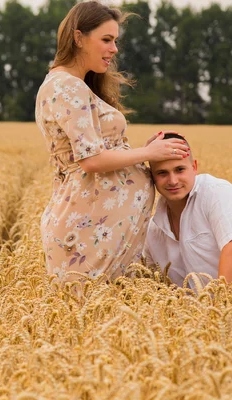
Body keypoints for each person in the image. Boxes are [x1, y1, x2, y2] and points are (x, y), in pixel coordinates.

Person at [34, 1, 189, 283]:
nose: (114, 49)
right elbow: (91, 160)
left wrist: (140, 151)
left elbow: (96, 151)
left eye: (115, 40)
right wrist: (147, 152)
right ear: (78, 38)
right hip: (85, 233)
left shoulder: (68, 84)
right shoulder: (67, 86)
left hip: (94, 230)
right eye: (106, 39)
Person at [144, 133, 232, 288]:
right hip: (203, 311)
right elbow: (150, 280)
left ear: (194, 167)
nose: (173, 180)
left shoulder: (216, 192)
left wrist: (220, 308)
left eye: (180, 169)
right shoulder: (153, 231)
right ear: (151, 177)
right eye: (162, 173)